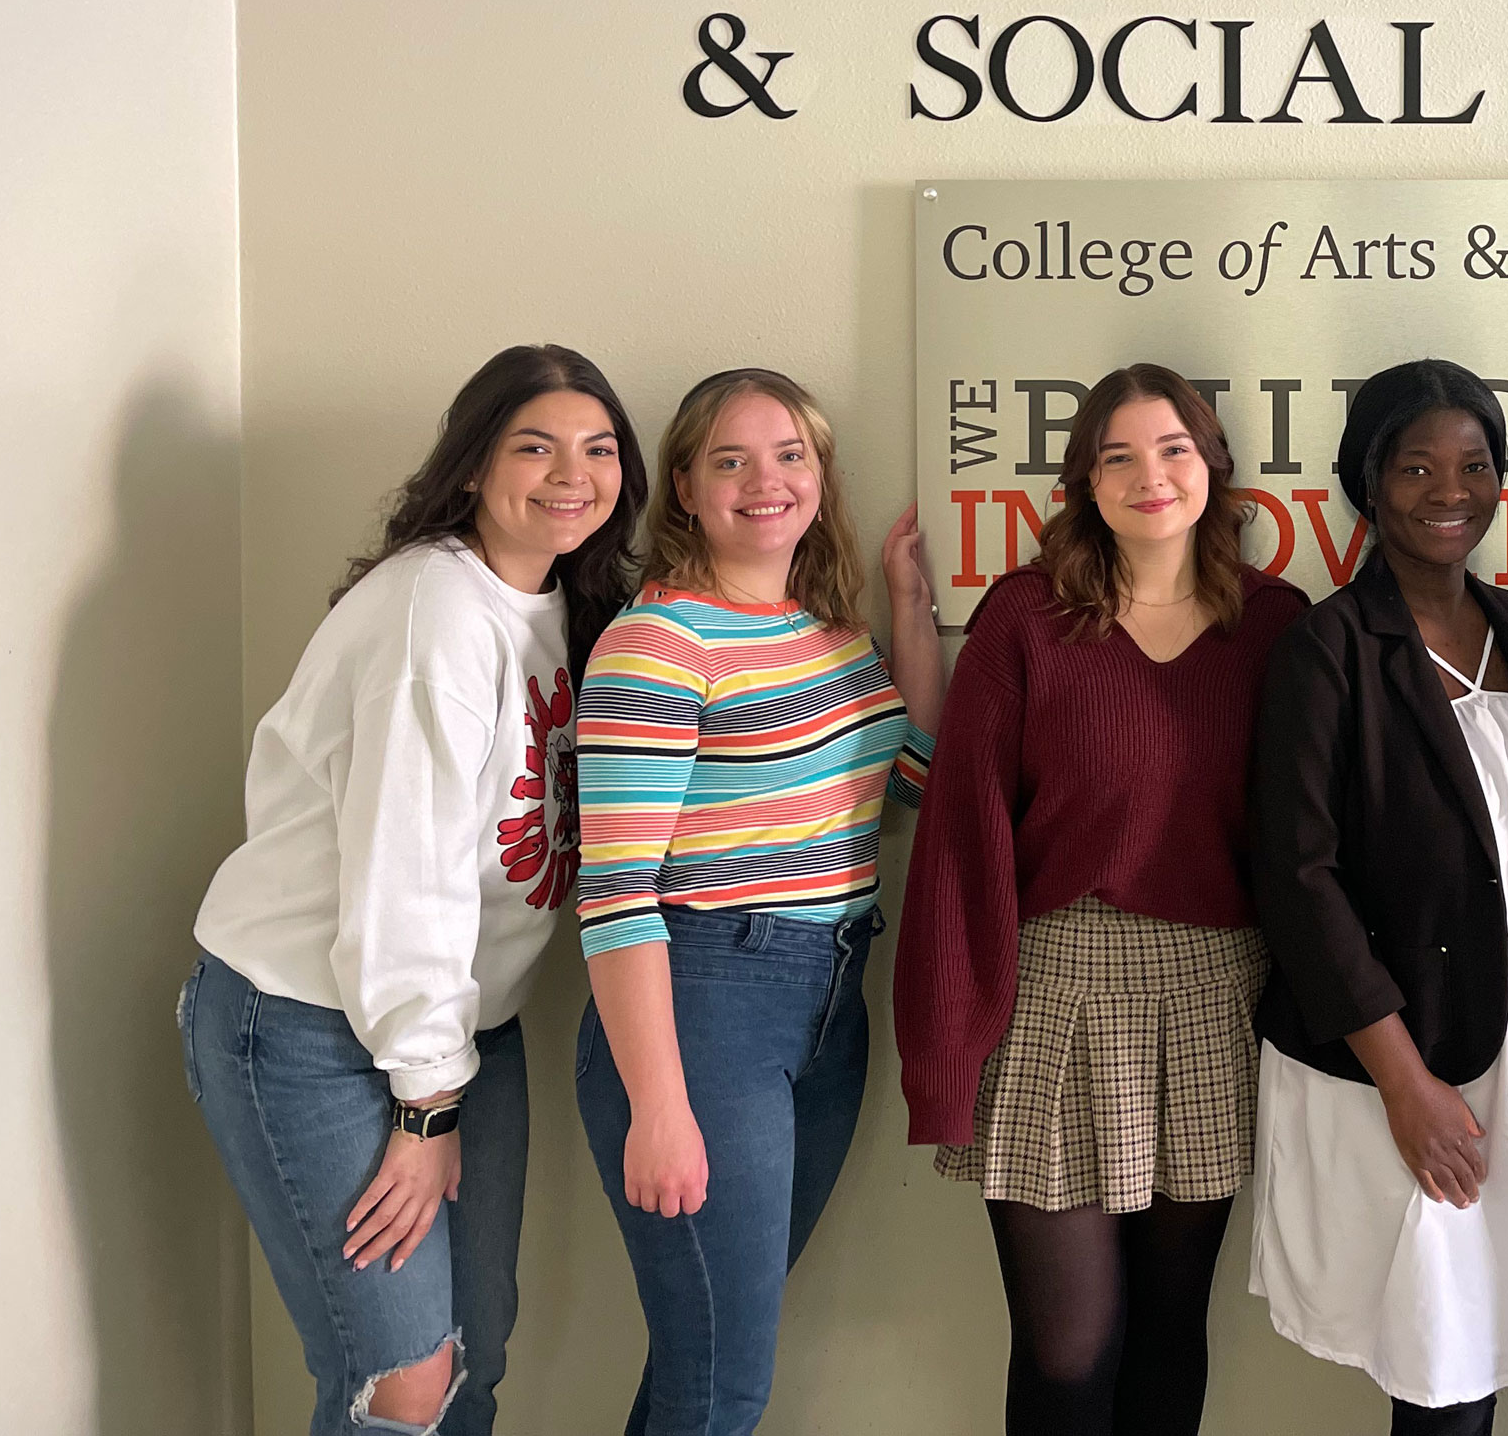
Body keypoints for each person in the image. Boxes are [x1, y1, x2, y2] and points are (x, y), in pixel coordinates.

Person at [184, 343, 643, 1436]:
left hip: (450, 1023)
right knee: (399, 1378)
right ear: (473, 465)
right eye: (535, 445)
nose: (571, 471)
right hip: (313, 1018)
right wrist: (425, 1103)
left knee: (471, 1355)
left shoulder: (557, 605)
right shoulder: (432, 613)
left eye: (599, 446)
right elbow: (406, 877)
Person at [896, 364, 1307, 1436]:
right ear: (1083, 479)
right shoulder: (1029, 617)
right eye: (1116, 455)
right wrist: (941, 1052)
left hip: (1215, 997)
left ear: (1210, 465)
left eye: (1171, 448)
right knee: (1069, 1344)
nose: (1148, 475)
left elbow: (1310, 838)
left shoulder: (1273, 624)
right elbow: (958, 834)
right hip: (1053, 1000)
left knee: (1171, 1328)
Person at [1246, 359, 1508, 1434]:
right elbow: (1297, 876)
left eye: (1472, 463)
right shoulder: (1328, 648)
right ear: (1368, 480)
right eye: (1415, 465)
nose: (1448, 489)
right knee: (1439, 1370)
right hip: (1399, 1071)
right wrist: (1406, 1082)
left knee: (1489, 1344)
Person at [573, 367, 943, 1436]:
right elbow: (616, 892)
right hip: (703, 1013)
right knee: (724, 1385)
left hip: (829, 1004)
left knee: (708, 1363)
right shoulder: (660, 642)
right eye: (729, 460)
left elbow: (907, 783)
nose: (763, 480)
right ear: (684, 484)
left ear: (820, 478)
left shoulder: (822, 629)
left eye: (789, 455)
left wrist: (910, 612)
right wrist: (659, 1102)